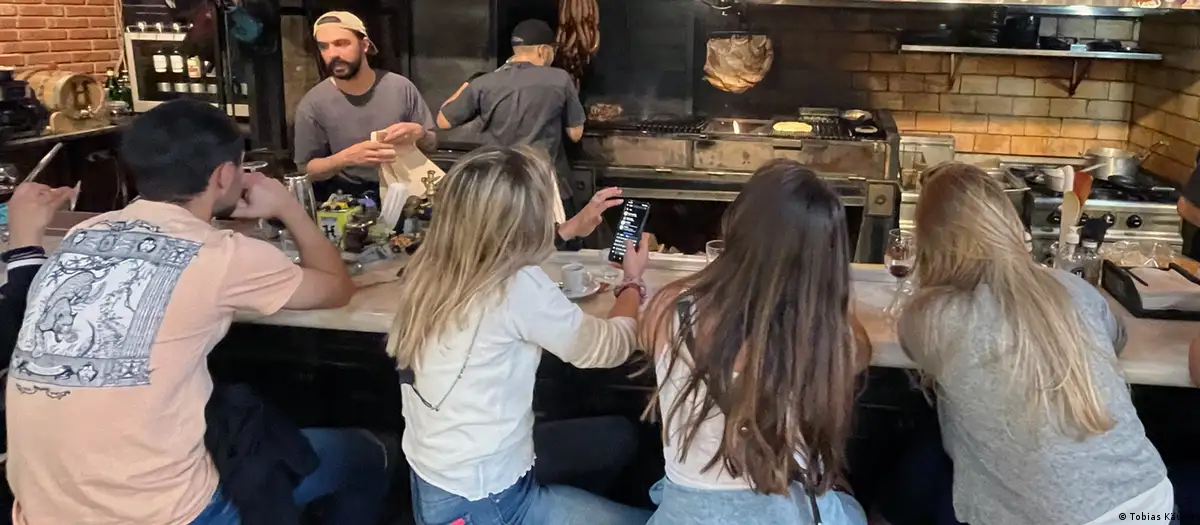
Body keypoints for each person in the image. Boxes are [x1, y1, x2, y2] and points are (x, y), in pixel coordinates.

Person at [5, 99, 390, 525]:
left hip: (39, 509)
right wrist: (288, 208)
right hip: (164, 514)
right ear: (224, 174)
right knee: (366, 455)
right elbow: (337, 288)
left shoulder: (82, 234)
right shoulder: (220, 255)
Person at [896, 162, 1173, 524]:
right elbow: (1116, 337)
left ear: (930, 240)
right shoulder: (1070, 287)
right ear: (1009, 225)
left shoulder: (929, 317)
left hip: (1051, 517)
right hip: (1147, 503)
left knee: (918, 466)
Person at [389, 145, 653, 525]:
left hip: (442, 481)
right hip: (488, 503)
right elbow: (608, 347)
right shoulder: (516, 286)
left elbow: (498, 252)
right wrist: (632, 282)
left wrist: (568, 231)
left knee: (616, 437)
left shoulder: (427, 266)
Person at [637, 159, 869, 525]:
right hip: (781, 511)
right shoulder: (826, 336)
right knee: (852, 507)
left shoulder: (669, 307)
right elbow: (858, 355)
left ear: (735, 226)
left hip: (686, 514)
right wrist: (827, 293)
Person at [437, 19, 585, 216]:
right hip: (541, 183)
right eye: (552, 49)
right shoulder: (559, 78)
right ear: (543, 50)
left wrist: (470, 82)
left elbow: (443, 121)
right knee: (548, 241)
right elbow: (575, 133)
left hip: (496, 184)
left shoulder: (484, 82)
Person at [294, 10, 437, 201]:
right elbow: (305, 170)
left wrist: (420, 133)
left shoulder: (400, 88)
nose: (333, 54)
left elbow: (432, 144)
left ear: (365, 45)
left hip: (408, 192)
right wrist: (345, 158)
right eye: (324, 47)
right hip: (349, 200)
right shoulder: (313, 104)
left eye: (341, 43)